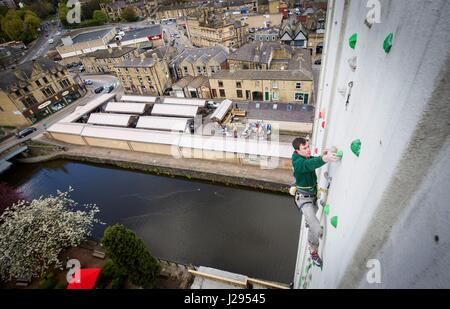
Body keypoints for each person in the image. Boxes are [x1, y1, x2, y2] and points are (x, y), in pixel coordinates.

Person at [291, 137, 340, 268]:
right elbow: (308, 165)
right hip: (304, 200)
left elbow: (311, 160)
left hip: (313, 198)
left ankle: (311, 222)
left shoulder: (304, 157)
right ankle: (313, 250)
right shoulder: (297, 162)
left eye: (308, 146)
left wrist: (320, 156)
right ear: (297, 150)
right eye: (305, 148)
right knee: (317, 229)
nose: (308, 150)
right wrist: (324, 159)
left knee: (313, 224)